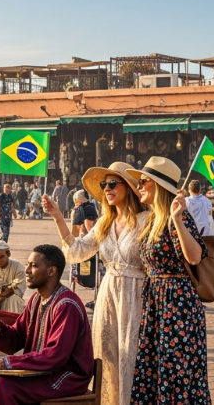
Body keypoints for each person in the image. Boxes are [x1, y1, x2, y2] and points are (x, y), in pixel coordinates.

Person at [42, 162, 148, 405]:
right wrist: (58, 216)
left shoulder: (147, 220)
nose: (107, 189)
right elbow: (77, 250)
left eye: (113, 183)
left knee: (133, 354)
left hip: (138, 293)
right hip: (109, 293)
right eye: (104, 185)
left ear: (129, 187)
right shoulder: (104, 223)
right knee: (107, 353)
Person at [0, 244, 94, 405]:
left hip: (67, 376)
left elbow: (55, 355)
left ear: (51, 271)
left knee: (3, 387)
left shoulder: (66, 305)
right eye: (28, 264)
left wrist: (6, 363)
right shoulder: (36, 299)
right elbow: (18, 335)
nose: (27, 270)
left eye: (34, 266)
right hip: (41, 370)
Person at [125, 157, 211, 404]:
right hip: (155, 302)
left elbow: (194, 257)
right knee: (153, 370)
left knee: (176, 372)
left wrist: (177, 219)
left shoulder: (177, 218)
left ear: (159, 186)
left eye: (144, 181)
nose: (139, 186)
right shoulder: (151, 220)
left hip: (178, 305)